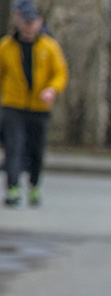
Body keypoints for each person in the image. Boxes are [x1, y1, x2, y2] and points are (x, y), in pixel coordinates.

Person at [0, 0, 68, 207]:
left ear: (39, 23)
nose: (29, 26)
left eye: (32, 22)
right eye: (25, 22)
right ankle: (13, 188)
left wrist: (52, 89)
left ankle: (34, 185)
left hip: (39, 108)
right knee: (14, 147)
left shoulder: (49, 47)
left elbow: (60, 73)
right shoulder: (6, 47)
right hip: (13, 106)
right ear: (19, 22)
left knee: (37, 150)